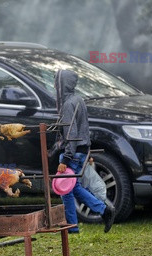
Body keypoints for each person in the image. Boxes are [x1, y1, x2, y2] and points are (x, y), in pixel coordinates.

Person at [54, 69, 115, 233]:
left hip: (72, 153)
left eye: (56, 83)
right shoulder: (78, 99)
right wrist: (87, 151)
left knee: (67, 189)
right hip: (81, 151)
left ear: (62, 85)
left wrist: (65, 159)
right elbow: (85, 128)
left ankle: (99, 212)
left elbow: (71, 134)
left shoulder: (68, 105)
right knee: (73, 188)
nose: (55, 87)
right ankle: (76, 225)